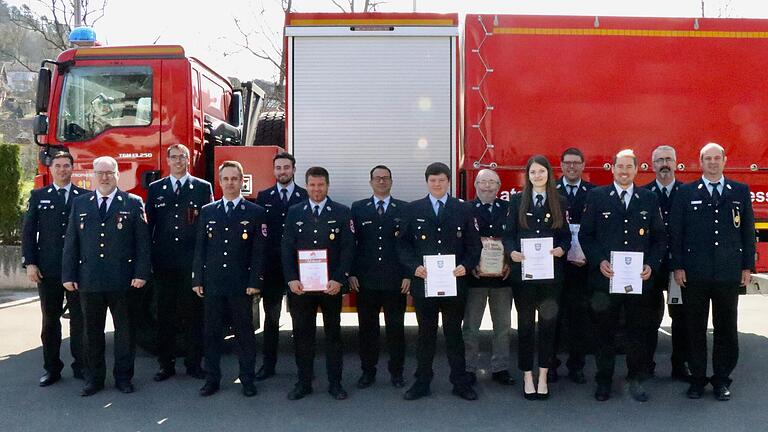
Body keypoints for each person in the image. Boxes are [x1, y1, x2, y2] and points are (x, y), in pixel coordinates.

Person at [670, 142, 755, 401]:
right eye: (708, 158)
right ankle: (697, 379)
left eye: (717, 158)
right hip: (694, 274)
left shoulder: (740, 191)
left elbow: (747, 231)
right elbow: (677, 232)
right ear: (700, 161)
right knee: (694, 328)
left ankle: (721, 379)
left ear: (724, 161)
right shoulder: (686, 192)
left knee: (726, 328)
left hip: (728, 274)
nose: (713, 162)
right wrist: (678, 266)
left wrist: (747, 266)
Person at [579, 149, 666, 402]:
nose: (624, 171)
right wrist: (599, 261)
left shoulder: (648, 198)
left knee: (637, 333)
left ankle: (635, 380)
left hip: (638, 280)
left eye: (629, 167)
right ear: (612, 169)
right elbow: (586, 235)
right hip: (606, 279)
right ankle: (603, 381)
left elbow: (660, 238)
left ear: (637, 170)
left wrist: (652, 264)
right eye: (620, 167)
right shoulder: (597, 197)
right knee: (604, 332)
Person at [62, 156, 150, 396]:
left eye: (109, 172)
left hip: (123, 280)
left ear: (117, 175)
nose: (104, 177)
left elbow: (143, 243)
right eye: (99, 172)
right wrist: (68, 274)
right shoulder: (81, 203)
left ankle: (123, 377)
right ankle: (94, 379)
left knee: (125, 332)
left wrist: (141, 272)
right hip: (89, 280)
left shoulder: (133, 203)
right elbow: (72, 242)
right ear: (93, 175)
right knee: (91, 333)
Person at [397, 162, 481, 401]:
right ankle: (422, 382)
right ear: (427, 182)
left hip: (455, 284)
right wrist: (414, 267)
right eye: (433, 180)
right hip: (425, 284)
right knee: (426, 335)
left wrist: (466, 265)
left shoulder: (463, 209)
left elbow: (474, 246)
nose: (437, 184)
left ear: (448, 182)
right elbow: (402, 245)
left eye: (441, 180)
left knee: (454, 334)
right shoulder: (413, 209)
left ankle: (460, 382)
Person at [192, 161, 266, 398]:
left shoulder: (255, 212)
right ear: (220, 181)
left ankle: (247, 379)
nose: (230, 183)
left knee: (245, 335)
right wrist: (197, 278)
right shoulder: (208, 211)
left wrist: (255, 281)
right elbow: (200, 249)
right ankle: (212, 379)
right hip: (213, 283)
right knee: (211, 334)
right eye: (226, 178)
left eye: (235, 179)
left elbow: (258, 252)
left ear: (242, 181)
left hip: (241, 285)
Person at [281, 167, 354, 401]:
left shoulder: (342, 212)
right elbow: (286, 248)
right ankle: (303, 382)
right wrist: (291, 278)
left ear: (327, 186)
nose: (316, 189)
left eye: (320, 185)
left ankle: (335, 383)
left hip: (330, 287)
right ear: (306, 186)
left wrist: (339, 279)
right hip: (301, 289)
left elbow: (348, 249)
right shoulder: (294, 212)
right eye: (312, 185)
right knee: (303, 336)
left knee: (333, 336)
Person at [504, 156, 570, 400]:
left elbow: (565, 237)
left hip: (551, 277)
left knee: (548, 328)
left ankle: (543, 375)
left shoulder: (559, 201)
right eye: (533, 172)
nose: (537, 176)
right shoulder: (517, 201)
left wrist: (561, 249)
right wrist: (512, 252)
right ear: (528, 175)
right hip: (524, 276)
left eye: (541, 171)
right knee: (525, 327)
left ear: (548, 174)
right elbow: (509, 234)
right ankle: (527, 376)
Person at [147, 144, 213, 382]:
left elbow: (208, 228)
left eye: (181, 157)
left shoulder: (202, 188)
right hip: (164, 263)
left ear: (188, 159)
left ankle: (194, 363)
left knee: (193, 316)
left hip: (191, 263)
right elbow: (149, 227)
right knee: (165, 316)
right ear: (167, 160)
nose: (177, 161)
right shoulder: (156, 189)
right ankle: (166, 365)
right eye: (173, 157)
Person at [22, 151, 88, 387]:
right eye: (58, 166)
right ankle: (51, 369)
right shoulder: (39, 196)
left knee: (80, 321)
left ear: (73, 168)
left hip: (78, 270)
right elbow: (28, 232)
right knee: (50, 321)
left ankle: (81, 366)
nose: (62, 169)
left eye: (66, 165)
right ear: (51, 169)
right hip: (48, 269)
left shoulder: (85, 197)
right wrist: (30, 262)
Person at [349, 165, 410, 389]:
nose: (381, 181)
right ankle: (368, 372)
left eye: (385, 178)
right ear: (371, 182)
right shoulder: (358, 208)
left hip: (396, 281)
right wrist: (352, 272)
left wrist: (408, 274)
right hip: (366, 281)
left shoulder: (404, 209)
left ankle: (397, 373)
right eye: (377, 178)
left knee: (396, 329)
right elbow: (352, 244)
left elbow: (408, 245)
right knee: (367, 330)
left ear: (392, 181)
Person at [254, 151, 307, 381]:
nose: (282, 171)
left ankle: (303, 367)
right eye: (278, 168)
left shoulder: (306, 196)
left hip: (299, 268)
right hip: (273, 268)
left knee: (300, 320)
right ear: (273, 170)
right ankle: (268, 365)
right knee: (271, 319)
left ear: (294, 170)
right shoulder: (263, 196)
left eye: (287, 167)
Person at [641, 145, 690, 381]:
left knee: (682, 319)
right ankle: (646, 365)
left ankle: (680, 366)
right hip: (652, 265)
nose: (664, 164)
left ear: (676, 162)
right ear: (652, 165)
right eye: (659, 160)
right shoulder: (643, 193)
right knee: (649, 319)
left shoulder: (688, 192)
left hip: (679, 266)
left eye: (668, 159)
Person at [462, 169, 515, 386]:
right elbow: (462, 240)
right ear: (475, 185)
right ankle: (468, 368)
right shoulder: (465, 209)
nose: (487, 186)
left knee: (502, 326)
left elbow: (513, 238)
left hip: (502, 278)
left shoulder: (509, 209)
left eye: (492, 182)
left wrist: (509, 263)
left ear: (499, 186)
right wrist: (470, 263)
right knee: (471, 327)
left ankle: (500, 368)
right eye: (483, 182)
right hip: (475, 278)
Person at [549, 147, 596, 384]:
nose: (572, 167)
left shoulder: (593, 192)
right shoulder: (551, 191)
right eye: (567, 163)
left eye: (576, 163)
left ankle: (576, 365)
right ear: (561, 165)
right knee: (552, 317)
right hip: (556, 265)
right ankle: (552, 365)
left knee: (580, 318)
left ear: (583, 165)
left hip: (582, 266)